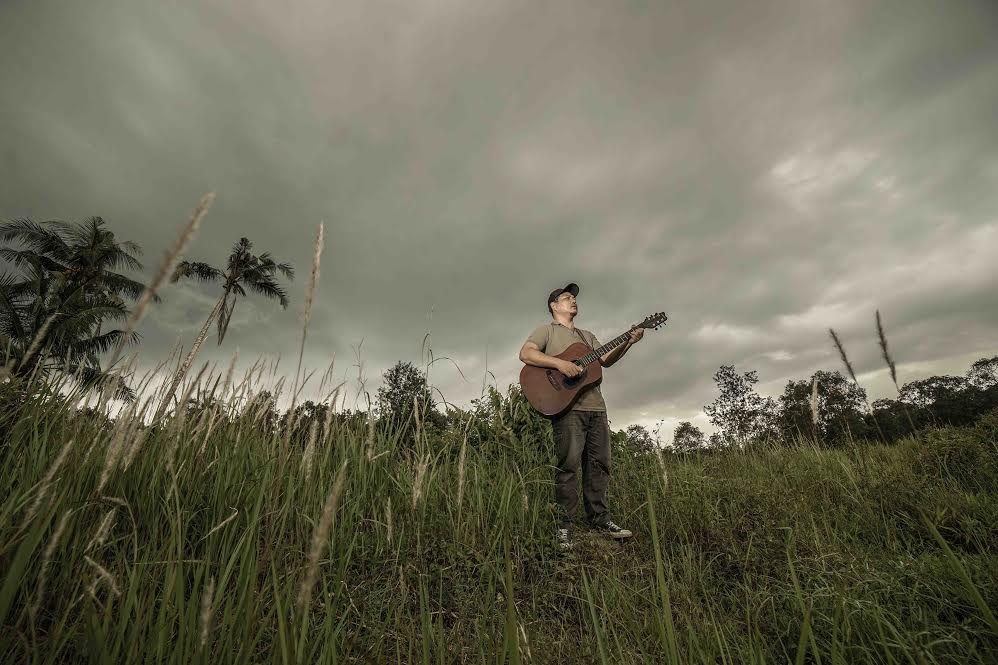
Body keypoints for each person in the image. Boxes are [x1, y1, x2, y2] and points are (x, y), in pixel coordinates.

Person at [518, 282, 643, 549]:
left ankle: (599, 519)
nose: (572, 301)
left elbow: (606, 359)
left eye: (573, 298)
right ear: (554, 306)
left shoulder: (587, 337)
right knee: (568, 466)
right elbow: (526, 354)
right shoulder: (546, 331)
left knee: (600, 464)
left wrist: (628, 342)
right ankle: (564, 526)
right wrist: (560, 363)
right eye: (566, 298)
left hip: (596, 408)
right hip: (567, 408)